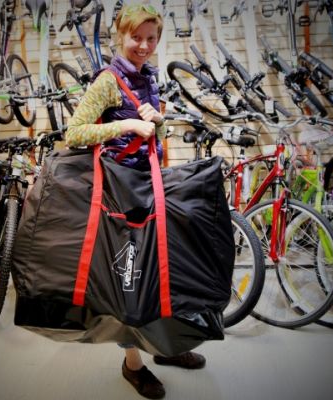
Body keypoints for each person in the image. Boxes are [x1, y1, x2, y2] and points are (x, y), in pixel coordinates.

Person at [66, 4, 206, 399]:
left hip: (149, 187)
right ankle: (133, 364)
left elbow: (154, 140)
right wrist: (126, 123)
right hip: (120, 196)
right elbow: (73, 133)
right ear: (121, 36)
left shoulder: (150, 78)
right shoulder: (108, 81)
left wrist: (157, 123)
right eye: (136, 37)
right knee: (129, 283)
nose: (143, 46)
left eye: (151, 38)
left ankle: (165, 347)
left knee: (161, 273)